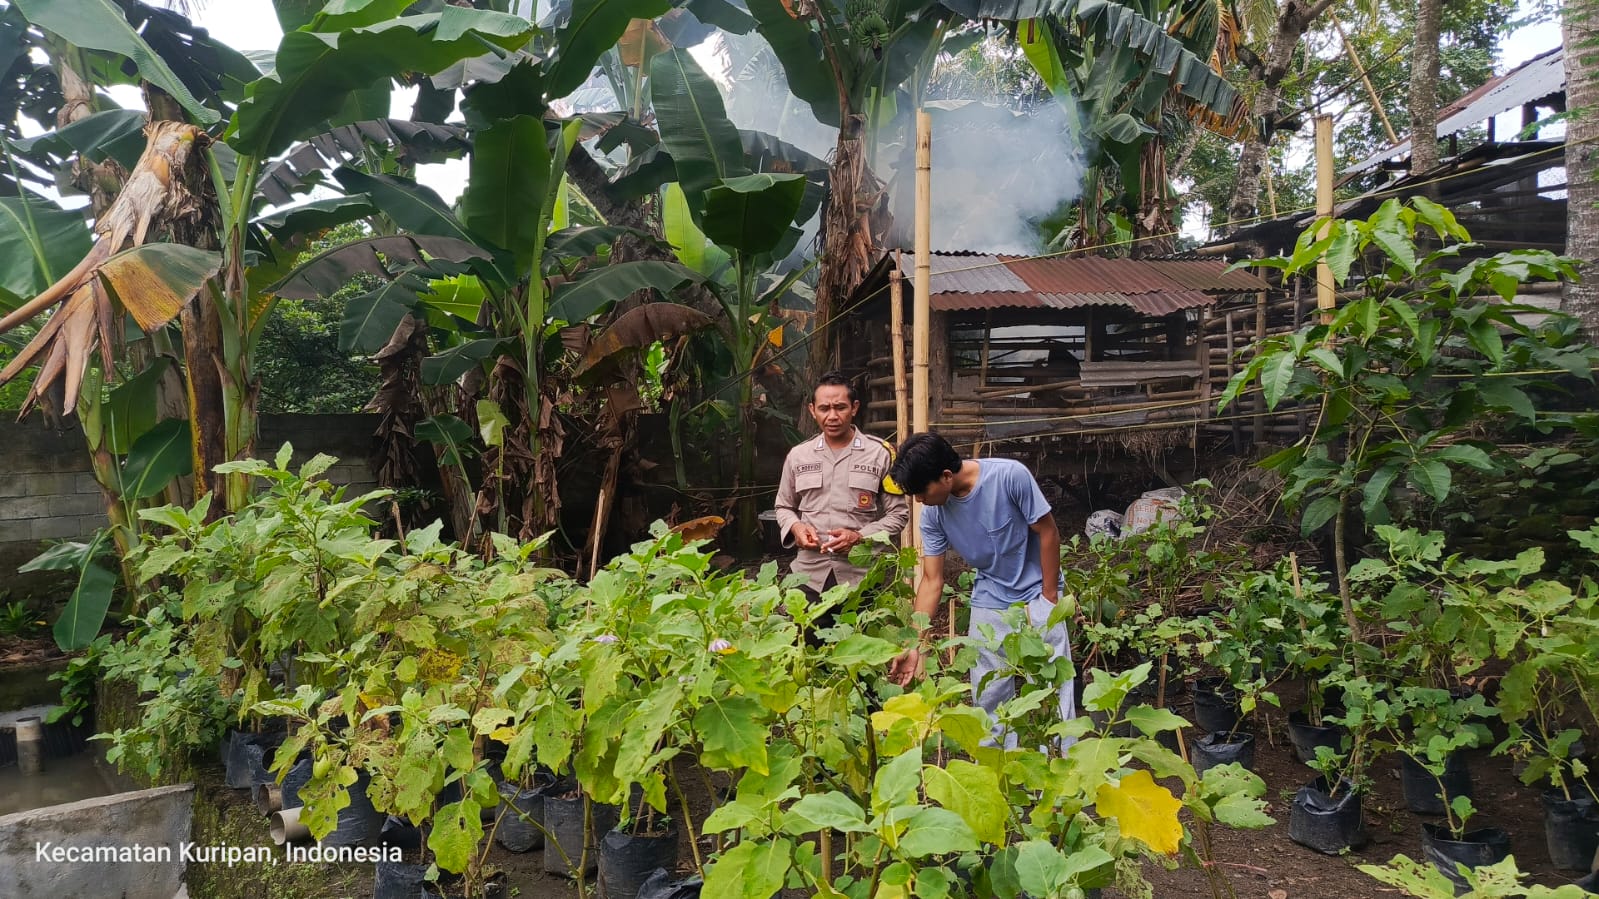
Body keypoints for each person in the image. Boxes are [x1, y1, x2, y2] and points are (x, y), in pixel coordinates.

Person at [886, 432, 1076, 747]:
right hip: (989, 598)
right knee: (989, 701)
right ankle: (996, 770)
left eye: (921, 491)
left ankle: (1063, 772)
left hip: (1036, 595)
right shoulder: (933, 515)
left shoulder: (1009, 477)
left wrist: (1049, 598)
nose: (918, 500)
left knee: (1052, 695)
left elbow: (1048, 533)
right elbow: (932, 580)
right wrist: (913, 645)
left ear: (946, 476)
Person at [772, 372, 909, 598]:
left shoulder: (880, 454)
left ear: (854, 408)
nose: (832, 416)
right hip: (808, 577)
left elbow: (898, 514)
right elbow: (783, 506)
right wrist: (796, 527)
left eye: (840, 407)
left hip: (861, 577)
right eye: (824, 408)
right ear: (812, 410)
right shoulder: (798, 456)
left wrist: (860, 537)